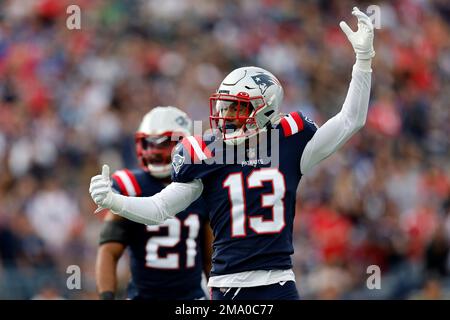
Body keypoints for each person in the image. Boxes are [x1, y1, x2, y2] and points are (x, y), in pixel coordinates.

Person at [89, 7, 375, 300]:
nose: (226, 116)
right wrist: (114, 201)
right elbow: (159, 209)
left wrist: (363, 61)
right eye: (224, 107)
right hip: (229, 286)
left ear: (266, 109)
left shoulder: (289, 143)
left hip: (279, 281)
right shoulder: (209, 152)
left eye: (236, 107)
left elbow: (350, 120)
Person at [95, 106, 213, 300]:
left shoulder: (201, 187)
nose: (155, 151)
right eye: (149, 143)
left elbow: (210, 258)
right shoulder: (131, 186)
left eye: (165, 143)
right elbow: (108, 251)